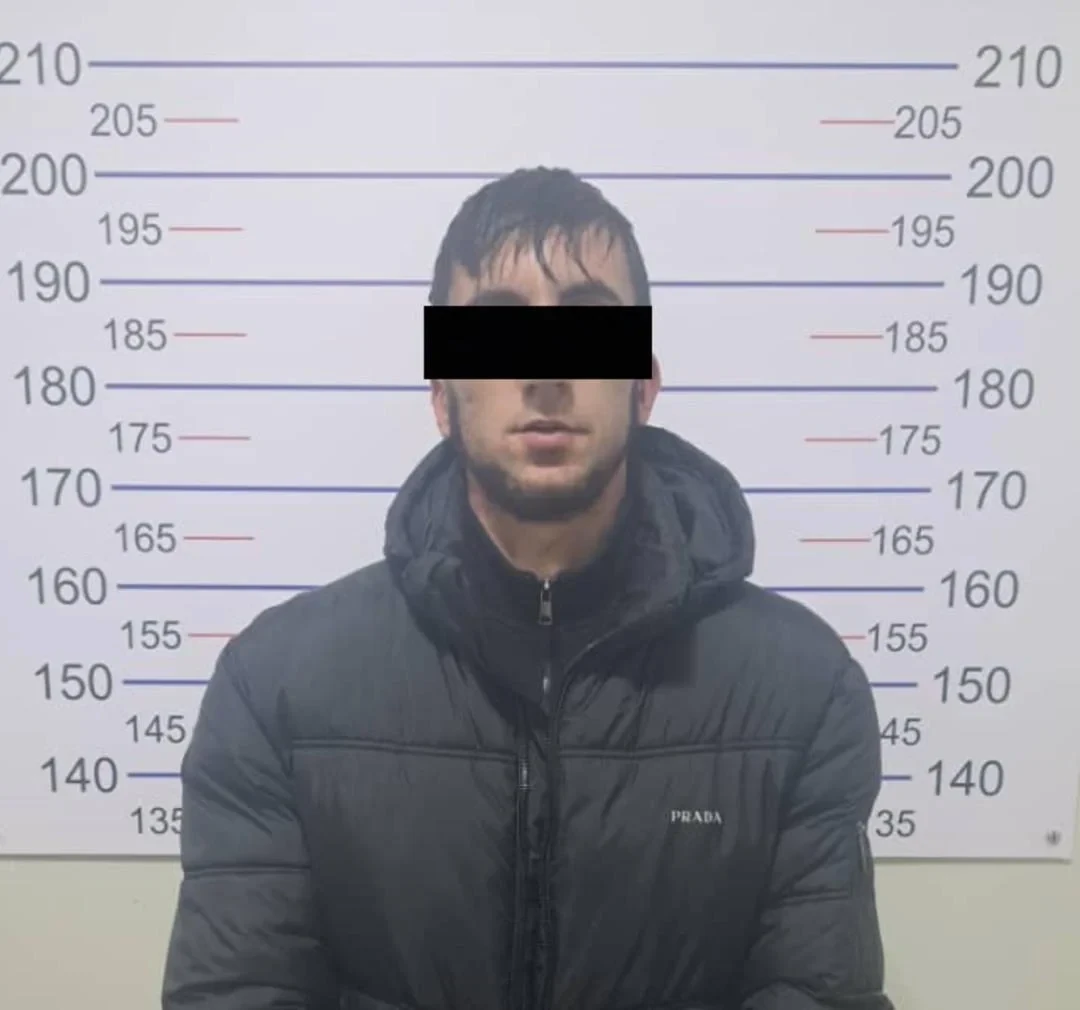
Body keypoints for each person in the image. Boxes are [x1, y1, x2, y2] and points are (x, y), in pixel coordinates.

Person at [161, 167, 895, 1010]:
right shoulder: (274, 688)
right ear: (442, 393)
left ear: (644, 386)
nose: (547, 371)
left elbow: (815, 994)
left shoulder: (801, 690)